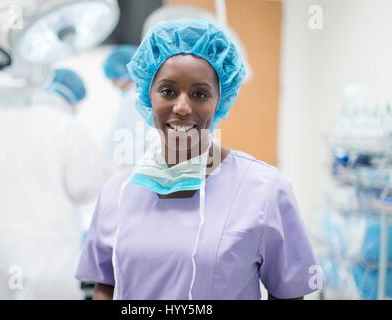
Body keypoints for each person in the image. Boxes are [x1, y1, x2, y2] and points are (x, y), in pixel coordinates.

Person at [76, 20, 321, 300]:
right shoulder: (115, 193)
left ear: (220, 100)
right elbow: (105, 287)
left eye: (199, 94)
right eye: (167, 91)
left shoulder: (263, 190)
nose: (182, 107)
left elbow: (288, 294)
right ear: (147, 94)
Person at [0, 68, 111, 299]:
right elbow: (84, 188)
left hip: (0, 250)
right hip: (46, 255)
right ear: (74, 100)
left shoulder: (6, 119)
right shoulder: (67, 126)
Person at [102, 45, 154, 165]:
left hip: (129, 172)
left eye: (113, 78)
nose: (113, 84)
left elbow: (137, 146)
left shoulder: (134, 101)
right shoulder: (146, 96)